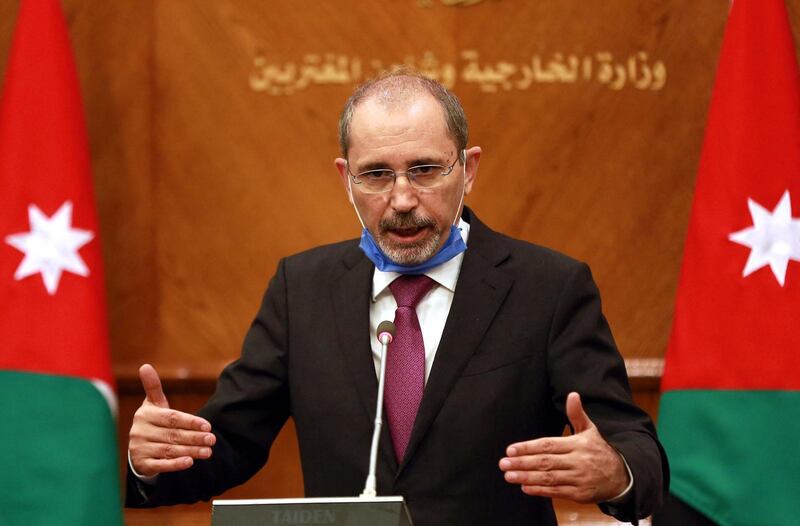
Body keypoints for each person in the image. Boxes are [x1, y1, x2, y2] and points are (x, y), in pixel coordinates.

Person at [126, 70, 668, 525]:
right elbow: (230, 445)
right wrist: (152, 459)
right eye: (377, 175)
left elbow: (640, 452)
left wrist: (616, 471)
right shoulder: (303, 288)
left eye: (426, 170)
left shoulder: (547, 287)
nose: (402, 199)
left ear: (468, 169)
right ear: (346, 178)